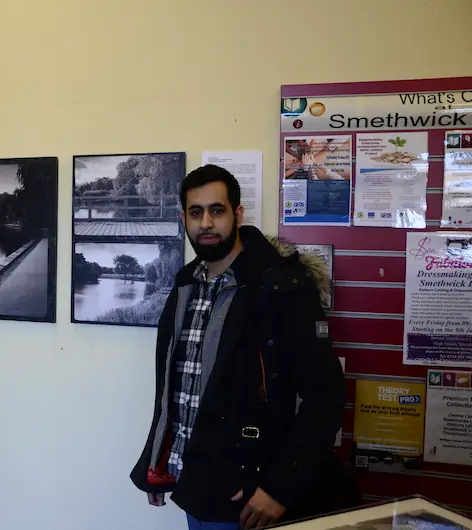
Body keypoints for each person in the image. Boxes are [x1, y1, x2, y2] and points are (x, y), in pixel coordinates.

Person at [129, 164, 359, 530]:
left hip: (252, 500)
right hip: (195, 485)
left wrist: (279, 489)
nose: (206, 222)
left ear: (237, 214)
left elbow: (325, 397)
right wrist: (158, 459)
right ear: (184, 218)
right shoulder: (186, 283)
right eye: (195, 212)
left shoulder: (283, 287)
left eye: (216, 210)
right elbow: (177, 386)